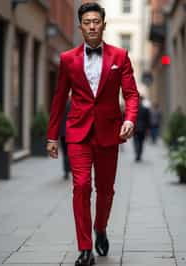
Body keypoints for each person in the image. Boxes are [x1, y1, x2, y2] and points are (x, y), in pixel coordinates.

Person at [46, 3, 139, 266]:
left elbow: (131, 93)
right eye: (87, 22)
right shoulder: (67, 59)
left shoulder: (120, 56)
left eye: (96, 21)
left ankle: (100, 227)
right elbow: (59, 98)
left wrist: (130, 119)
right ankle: (85, 248)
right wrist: (52, 135)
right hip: (78, 132)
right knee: (82, 186)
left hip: (109, 133)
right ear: (80, 27)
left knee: (106, 190)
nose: (92, 26)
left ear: (104, 25)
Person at [133, 96, 150, 162]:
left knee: (137, 142)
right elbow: (148, 120)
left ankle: (138, 154)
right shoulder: (145, 109)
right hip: (141, 128)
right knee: (140, 142)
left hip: (138, 128)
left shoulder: (135, 108)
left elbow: (148, 120)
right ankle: (138, 155)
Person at [59, 99, 71, 179]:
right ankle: (69, 169)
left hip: (63, 133)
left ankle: (66, 171)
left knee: (64, 152)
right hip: (71, 133)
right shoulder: (73, 104)